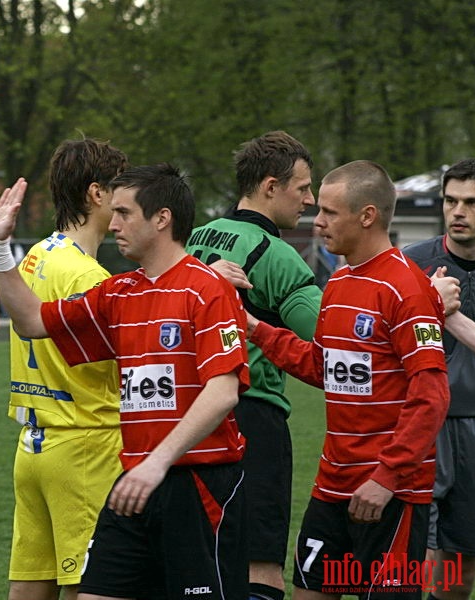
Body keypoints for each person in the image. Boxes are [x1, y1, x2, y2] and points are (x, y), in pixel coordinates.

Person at [0, 163, 250, 599]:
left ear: (162, 219)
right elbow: (33, 320)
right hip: (134, 482)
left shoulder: (207, 289)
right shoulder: (119, 292)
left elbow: (223, 391)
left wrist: (158, 462)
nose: (112, 223)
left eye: (125, 213)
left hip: (197, 484)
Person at [246, 160, 450, 600]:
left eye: (328, 212)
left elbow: (431, 394)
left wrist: (387, 476)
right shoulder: (338, 283)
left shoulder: (406, 289)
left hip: (388, 494)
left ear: (367, 215)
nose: (316, 221)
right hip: (332, 485)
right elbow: (322, 366)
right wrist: (255, 328)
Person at [185, 130, 320, 600]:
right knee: (260, 566)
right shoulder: (278, 257)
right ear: (269, 186)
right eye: (302, 188)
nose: (311, 199)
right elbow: (329, 338)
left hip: (187, 417)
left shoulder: (193, 238)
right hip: (253, 416)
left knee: (200, 566)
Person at [6, 139, 128, 600]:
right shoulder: (87, 277)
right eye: (119, 190)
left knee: (30, 582)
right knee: (91, 585)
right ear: (96, 194)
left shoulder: (36, 255)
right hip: (84, 444)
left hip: (33, 446)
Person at [402, 157, 475, 600]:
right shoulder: (410, 265)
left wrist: (449, 317)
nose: (458, 211)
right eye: (451, 201)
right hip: (420, 425)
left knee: (462, 565)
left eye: (472, 202)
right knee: (418, 552)